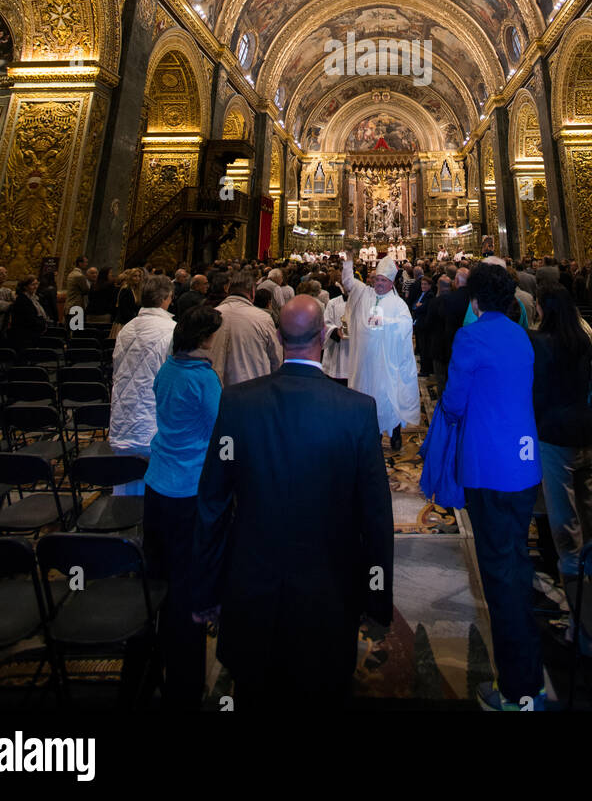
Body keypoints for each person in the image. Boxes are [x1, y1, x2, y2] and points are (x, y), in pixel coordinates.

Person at [191, 295, 394, 709]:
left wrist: (206, 590)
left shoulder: (237, 403)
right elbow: (375, 517)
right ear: (324, 335)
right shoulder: (357, 411)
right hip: (329, 594)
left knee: (253, 692)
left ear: (280, 338)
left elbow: (212, 505)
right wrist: (377, 598)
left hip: (251, 586)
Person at [441, 261, 544, 712]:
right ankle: (530, 678)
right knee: (515, 562)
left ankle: (520, 691)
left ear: (475, 299)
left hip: (490, 467)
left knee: (500, 578)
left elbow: (452, 402)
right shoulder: (522, 336)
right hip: (525, 466)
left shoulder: (472, 336)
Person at [143, 305, 223, 708]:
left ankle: (150, 661)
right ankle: (186, 683)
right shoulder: (202, 379)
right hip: (188, 488)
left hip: (157, 481)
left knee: (157, 578)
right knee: (187, 586)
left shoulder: (168, 369)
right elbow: (219, 430)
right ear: (205, 338)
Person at [531, 285, 592, 646]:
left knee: (565, 521)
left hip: (555, 436)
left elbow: (536, 392)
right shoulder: (580, 342)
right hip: (586, 432)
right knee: (591, 511)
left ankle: (583, 627)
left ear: (544, 309)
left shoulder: (541, 344)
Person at [342, 256, 420, 452]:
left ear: (391, 283)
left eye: (383, 281)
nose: (379, 284)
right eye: (377, 280)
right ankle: (373, 434)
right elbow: (348, 282)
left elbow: (405, 324)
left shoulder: (397, 303)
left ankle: (394, 433)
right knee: (369, 397)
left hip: (388, 360)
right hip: (367, 361)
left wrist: (385, 322)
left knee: (388, 396)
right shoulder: (365, 295)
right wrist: (348, 259)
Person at [109, 274, 176, 490]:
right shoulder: (171, 330)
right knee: (154, 487)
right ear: (167, 298)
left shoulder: (127, 329)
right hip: (152, 416)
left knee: (125, 483)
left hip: (123, 413)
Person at [210, 266, 282, 387]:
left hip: (217, 391)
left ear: (228, 290)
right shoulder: (262, 319)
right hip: (252, 388)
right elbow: (276, 358)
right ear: (253, 292)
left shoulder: (212, 315)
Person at [430, 266, 470, 395]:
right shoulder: (476, 298)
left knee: (446, 381)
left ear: (456, 281)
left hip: (449, 345)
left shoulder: (449, 300)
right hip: (470, 347)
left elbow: (439, 321)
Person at [9, 276, 48, 349]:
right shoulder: (22, 299)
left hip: (32, 335)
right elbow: (29, 319)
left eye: (37, 284)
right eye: (33, 284)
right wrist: (42, 324)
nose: (36, 287)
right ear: (25, 287)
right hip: (23, 336)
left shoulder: (35, 298)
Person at [65, 255, 90, 323]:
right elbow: (86, 290)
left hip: (69, 305)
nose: (87, 264)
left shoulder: (71, 274)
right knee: (76, 329)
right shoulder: (79, 276)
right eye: (85, 262)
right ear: (80, 263)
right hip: (76, 306)